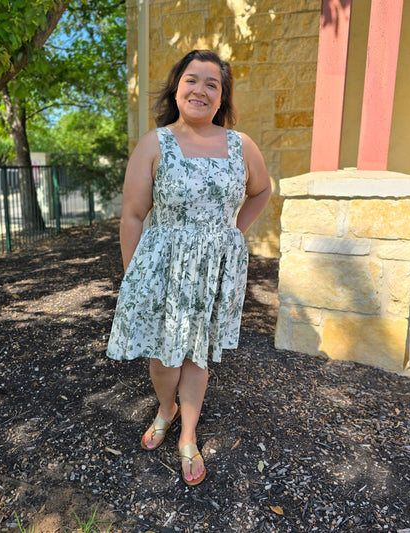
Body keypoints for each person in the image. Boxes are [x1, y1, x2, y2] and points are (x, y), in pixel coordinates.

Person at [107, 49, 272, 486]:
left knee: (197, 355)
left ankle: (188, 435)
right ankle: (167, 408)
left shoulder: (241, 145)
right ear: (177, 89)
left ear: (222, 96)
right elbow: (133, 216)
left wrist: (231, 233)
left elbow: (262, 190)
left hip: (214, 270)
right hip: (163, 269)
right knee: (164, 360)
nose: (200, 90)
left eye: (212, 84)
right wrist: (135, 278)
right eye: (191, 80)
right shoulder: (155, 143)